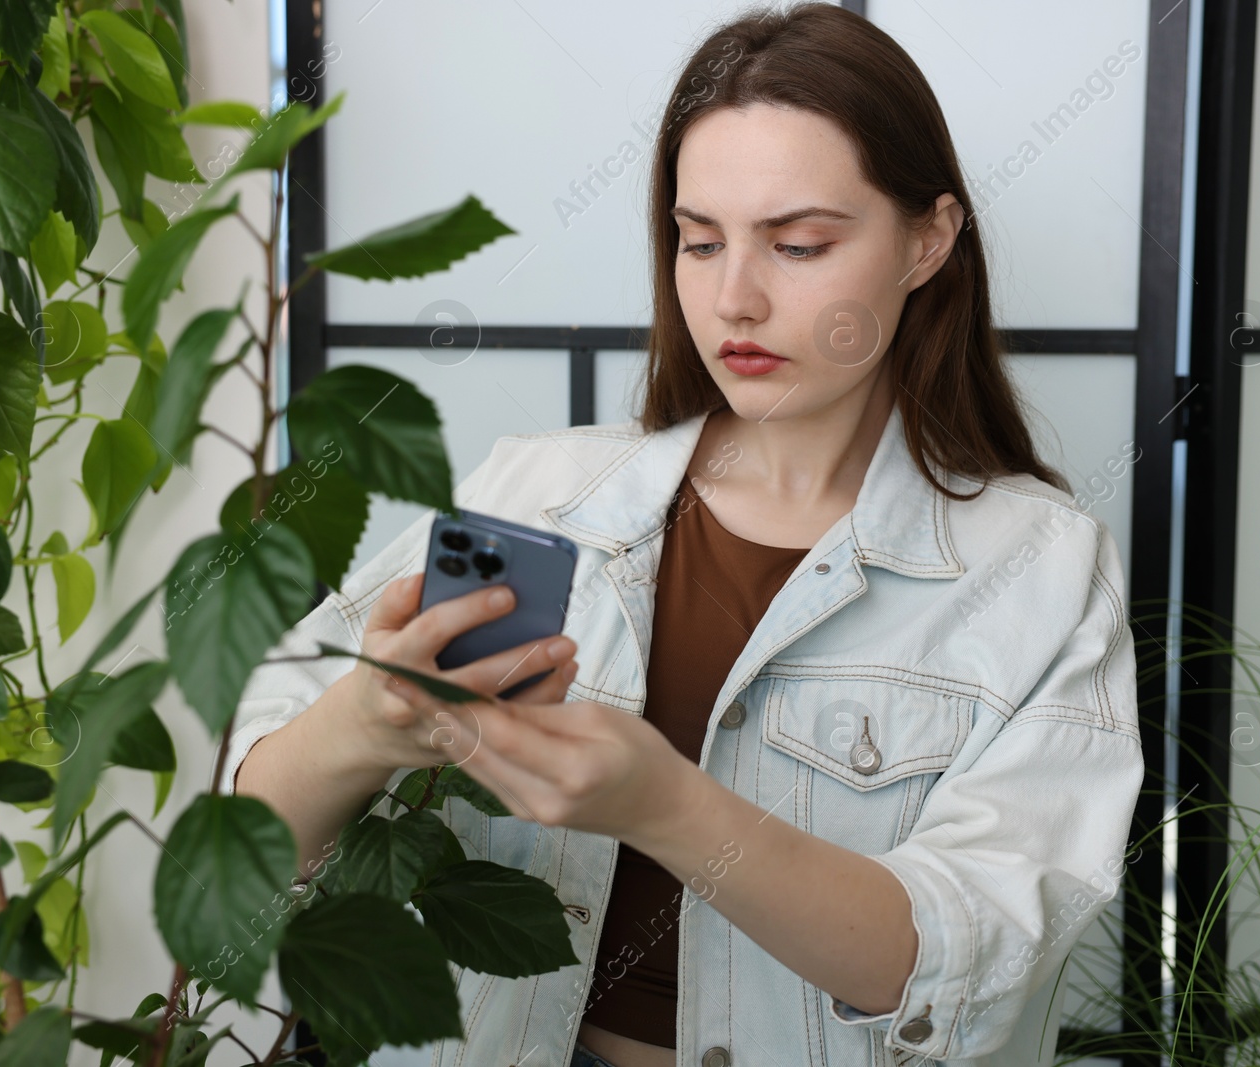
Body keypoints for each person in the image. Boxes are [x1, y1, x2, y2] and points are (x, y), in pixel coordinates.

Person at [225, 5, 1144, 1066]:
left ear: (928, 240)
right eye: (698, 241)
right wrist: (366, 721)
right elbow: (246, 845)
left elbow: (969, 958)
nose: (734, 298)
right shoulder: (534, 491)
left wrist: (664, 804)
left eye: (799, 244)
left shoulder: (1038, 566)